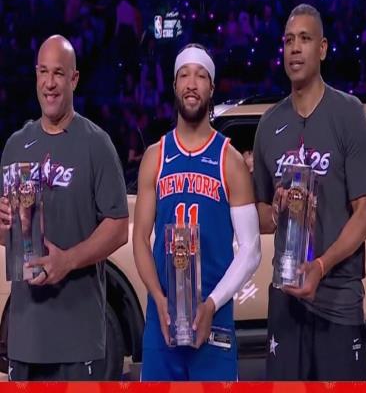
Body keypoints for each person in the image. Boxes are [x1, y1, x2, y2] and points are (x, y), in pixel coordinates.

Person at [252, 4, 366, 381]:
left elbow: (365, 215)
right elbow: (260, 215)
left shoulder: (349, 114)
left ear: (322, 49)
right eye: (288, 40)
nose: (295, 48)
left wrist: (321, 266)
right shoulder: (269, 124)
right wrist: (275, 210)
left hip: (338, 300)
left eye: (305, 39)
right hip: (285, 299)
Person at [0, 35, 129, 380]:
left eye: (58, 73)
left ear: (74, 79)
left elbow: (118, 227)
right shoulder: (15, 146)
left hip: (78, 337)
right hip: (26, 337)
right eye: (43, 72)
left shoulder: (96, 144)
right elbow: (8, 233)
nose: (50, 83)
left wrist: (67, 260)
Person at [133, 43, 261, 381]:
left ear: (212, 88)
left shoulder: (230, 160)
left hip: (213, 320)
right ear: (174, 85)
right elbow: (140, 240)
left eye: (201, 76)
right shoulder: (155, 156)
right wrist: (158, 298)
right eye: (185, 75)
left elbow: (251, 250)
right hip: (162, 321)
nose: (192, 84)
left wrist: (212, 304)